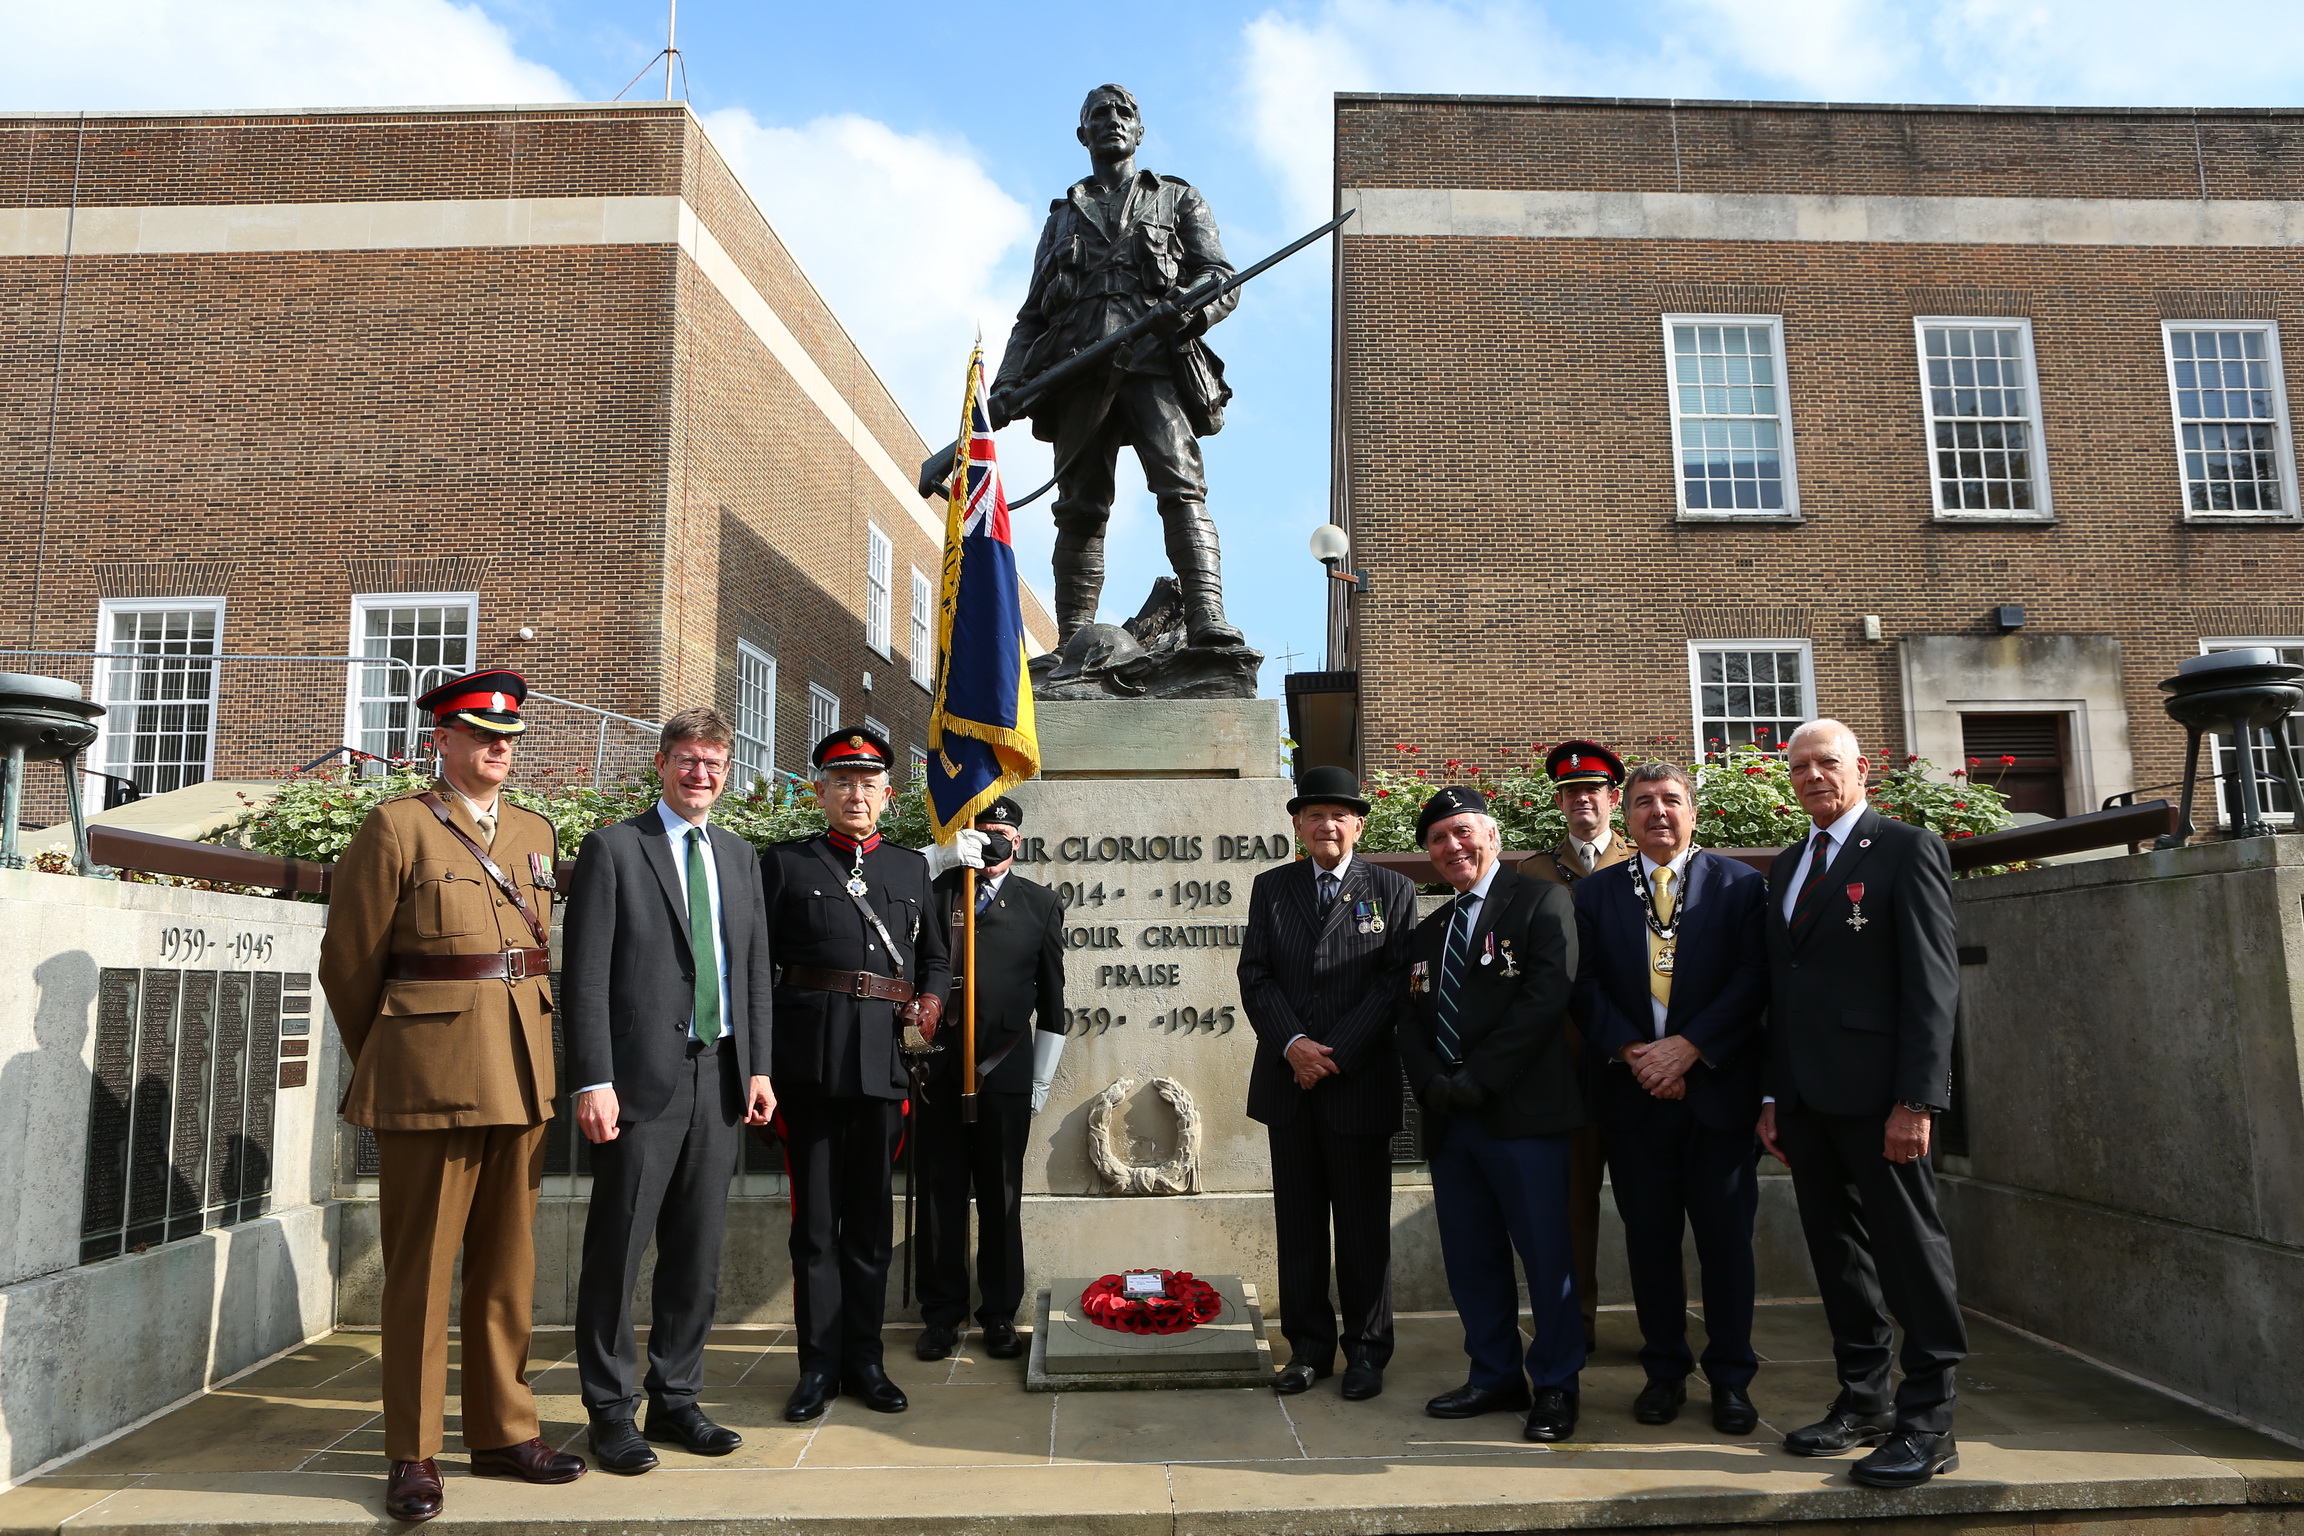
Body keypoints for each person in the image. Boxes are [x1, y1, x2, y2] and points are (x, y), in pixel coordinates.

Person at [316, 668, 585, 1523]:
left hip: (519, 1074)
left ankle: (505, 1432)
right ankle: (413, 1450)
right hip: (429, 1080)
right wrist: (395, 1057)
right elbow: (349, 963)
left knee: (509, 1269)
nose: (498, 748)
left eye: (508, 737)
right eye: (480, 734)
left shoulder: (535, 830)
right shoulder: (397, 826)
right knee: (421, 1274)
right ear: (442, 739)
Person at [562, 707, 777, 1474]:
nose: (701, 775)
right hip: (638, 1085)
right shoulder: (617, 849)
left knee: (697, 1251)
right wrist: (593, 1079)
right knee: (617, 1248)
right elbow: (584, 975)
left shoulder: (741, 857)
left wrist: (758, 1067)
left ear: (728, 771)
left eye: (714, 763)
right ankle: (610, 1410)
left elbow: (753, 971)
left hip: (719, 1077)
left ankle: (677, 1397)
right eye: (687, 760)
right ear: (661, 765)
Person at [1759, 719, 1965, 1487]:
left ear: (1861, 769)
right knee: (1839, 1256)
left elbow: (1933, 985)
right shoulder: (1786, 865)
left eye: (1826, 763)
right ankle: (1863, 1399)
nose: (1813, 775)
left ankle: (1930, 1422)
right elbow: (1785, 992)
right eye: (1800, 766)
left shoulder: (1907, 849)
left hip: (1883, 1100)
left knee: (1911, 1256)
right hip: (1808, 1102)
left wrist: (1917, 1100)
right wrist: (1776, 1093)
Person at [990, 83, 1242, 648]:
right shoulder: (1061, 219)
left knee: (1181, 487)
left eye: (1124, 112)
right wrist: (1008, 384)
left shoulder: (1178, 199)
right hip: (1078, 370)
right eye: (1099, 114)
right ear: (1083, 133)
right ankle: (1073, 639)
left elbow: (1220, 278)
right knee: (1079, 507)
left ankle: (1206, 616)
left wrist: (1189, 308)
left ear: (1140, 129)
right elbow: (1031, 314)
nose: (1112, 120)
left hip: (1156, 363)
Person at [1570, 761, 1769, 1435]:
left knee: (1726, 1245)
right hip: (1633, 1101)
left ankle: (1733, 1378)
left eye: (1671, 800)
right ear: (1626, 817)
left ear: (1693, 811)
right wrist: (1636, 1053)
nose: (1658, 811)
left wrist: (1687, 1048)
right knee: (1650, 1243)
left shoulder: (1740, 886)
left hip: (1717, 1096)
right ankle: (1663, 1372)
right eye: (1645, 802)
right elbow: (1585, 990)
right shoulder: (1595, 897)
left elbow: (1752, 982)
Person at [759, 728, 951, 1422]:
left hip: (883, 1070)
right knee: (815, 1228)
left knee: (869, 1225)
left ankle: (865, 1361)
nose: (856, 794)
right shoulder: (785, 863)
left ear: (887, 794)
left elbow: (937, 956)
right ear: (820, 792)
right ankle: (817, 1368)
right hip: (807, 1069)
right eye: (842, 781)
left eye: (868, 783)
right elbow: (758, 968)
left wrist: (931, 1003)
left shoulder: (907, 870)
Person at [1395, 785, 1586, 1442]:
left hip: (1523, 1117)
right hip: (1453, 1123)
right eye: (1439, 839)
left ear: (1492, 837)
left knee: (1546, 1257)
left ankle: (1557, 1385)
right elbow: (1410, 1020)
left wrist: (1479, 1079)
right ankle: (1494, 1374)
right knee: (1471, 1259)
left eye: (1463, 832)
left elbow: (1544, 998)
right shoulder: (1428, 932)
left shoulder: (1540, 901)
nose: (1453, 847)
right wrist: (1432, 1084)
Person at [1237, 765, 1419, 1401]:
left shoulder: (1392, 890)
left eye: (1339, 814)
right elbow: (1255, 975)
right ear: (1297, 825)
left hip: (1356, 1081)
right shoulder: (1272, 888)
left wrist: (1334, 1051)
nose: (1327, 824)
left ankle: (1367, 1351)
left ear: (1359, 824)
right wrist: (1293, 1046)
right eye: (1314, 814)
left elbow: (1394, 980)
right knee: (1300, 1224)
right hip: (1291, 1085)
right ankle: (1308, 1347)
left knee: (1365, 1225)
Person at [916, 796, 1068, 1363]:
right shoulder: (937, 893)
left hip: (1005, 1071)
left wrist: (1041, 1081)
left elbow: (1054, 1003)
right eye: (985, 832)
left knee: (1001, 1197)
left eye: (1003, 832)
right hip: (936, 1065)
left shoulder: (1040, 904)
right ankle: (940, 1314)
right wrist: (941, 860)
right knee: (939, 1194)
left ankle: (1000, 1312)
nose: (994, 841)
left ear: (1019, 841)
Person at [1525, 739, 1635, 1353]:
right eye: (1570, 793)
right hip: (1566, 1064)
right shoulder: (1536, 872)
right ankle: (1577, 1326)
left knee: (1650, 1203)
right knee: (1570, 1208)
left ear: (1612, 798)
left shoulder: (1642, 857)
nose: (1582, 801)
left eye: (1592, 790)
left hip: (1634, 1060)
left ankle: (1662, 1329)